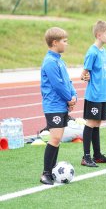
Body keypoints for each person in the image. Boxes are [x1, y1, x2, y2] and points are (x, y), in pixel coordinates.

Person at [40, 27, 77, 185]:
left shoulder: (60, 61)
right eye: (64, 41)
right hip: (53, 106)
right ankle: (46, 173)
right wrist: (69, 98)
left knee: (58, 139)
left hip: (61, 105)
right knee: (54, 138)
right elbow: (57, 85)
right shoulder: (49, 62)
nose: (66, 44)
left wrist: (74, 95)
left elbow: (67, 82)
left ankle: (52, 169)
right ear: (55, 43)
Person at [80, 21, 106, 167]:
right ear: (98, 35)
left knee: (98, 123)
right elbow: (84, 74)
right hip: (93, 95)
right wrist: (85, 76)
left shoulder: (104, 52)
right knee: (91, 122)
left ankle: (98, 155)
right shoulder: (92, 52)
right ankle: (86, 157)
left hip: (102, 95)